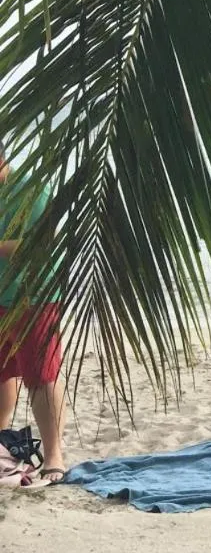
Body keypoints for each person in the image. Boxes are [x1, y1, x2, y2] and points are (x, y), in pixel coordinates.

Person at [0, 140, 67, 483]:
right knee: (3, 372)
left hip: (34, 295)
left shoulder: (31, 189)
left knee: (41, 375)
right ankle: (1, 442)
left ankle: (54, 455)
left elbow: (40, 244)